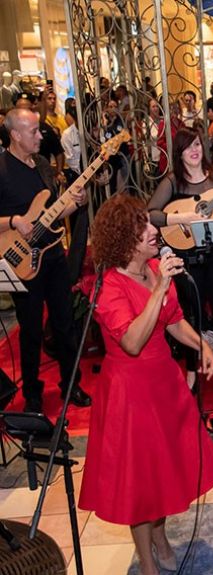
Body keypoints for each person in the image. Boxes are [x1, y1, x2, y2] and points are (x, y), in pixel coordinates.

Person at [79, 195, 213, 575]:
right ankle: (147, 561)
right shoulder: (109, 286)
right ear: (126, 238)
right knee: (139, 481)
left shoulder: (156, 268)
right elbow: (131, 341)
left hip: (163, 382)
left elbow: (173, 320)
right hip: (130, 392)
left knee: (162, 470)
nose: (154, 230)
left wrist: (202, 344)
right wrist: (159, 290)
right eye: (143, 227)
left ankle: (160, 537)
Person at [0, 108, 92, 413]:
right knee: (30, 331)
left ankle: (71, 384)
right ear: (15, 135)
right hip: (21, 261)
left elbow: (53, 214)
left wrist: (75, 202)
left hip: (52, 255)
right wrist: (14, 221)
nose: (41, 136)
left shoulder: (41, 164)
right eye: (33, 132)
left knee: (65, 324)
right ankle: (33, 394)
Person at [147, 127, 213, 394]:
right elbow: (150, 213)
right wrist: (181, 218)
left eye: (198, 144)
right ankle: (191, 372)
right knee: (190, 317)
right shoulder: (173, 182)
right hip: (188, 259)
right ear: (179, 153)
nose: (195, 150)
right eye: (189, 146)